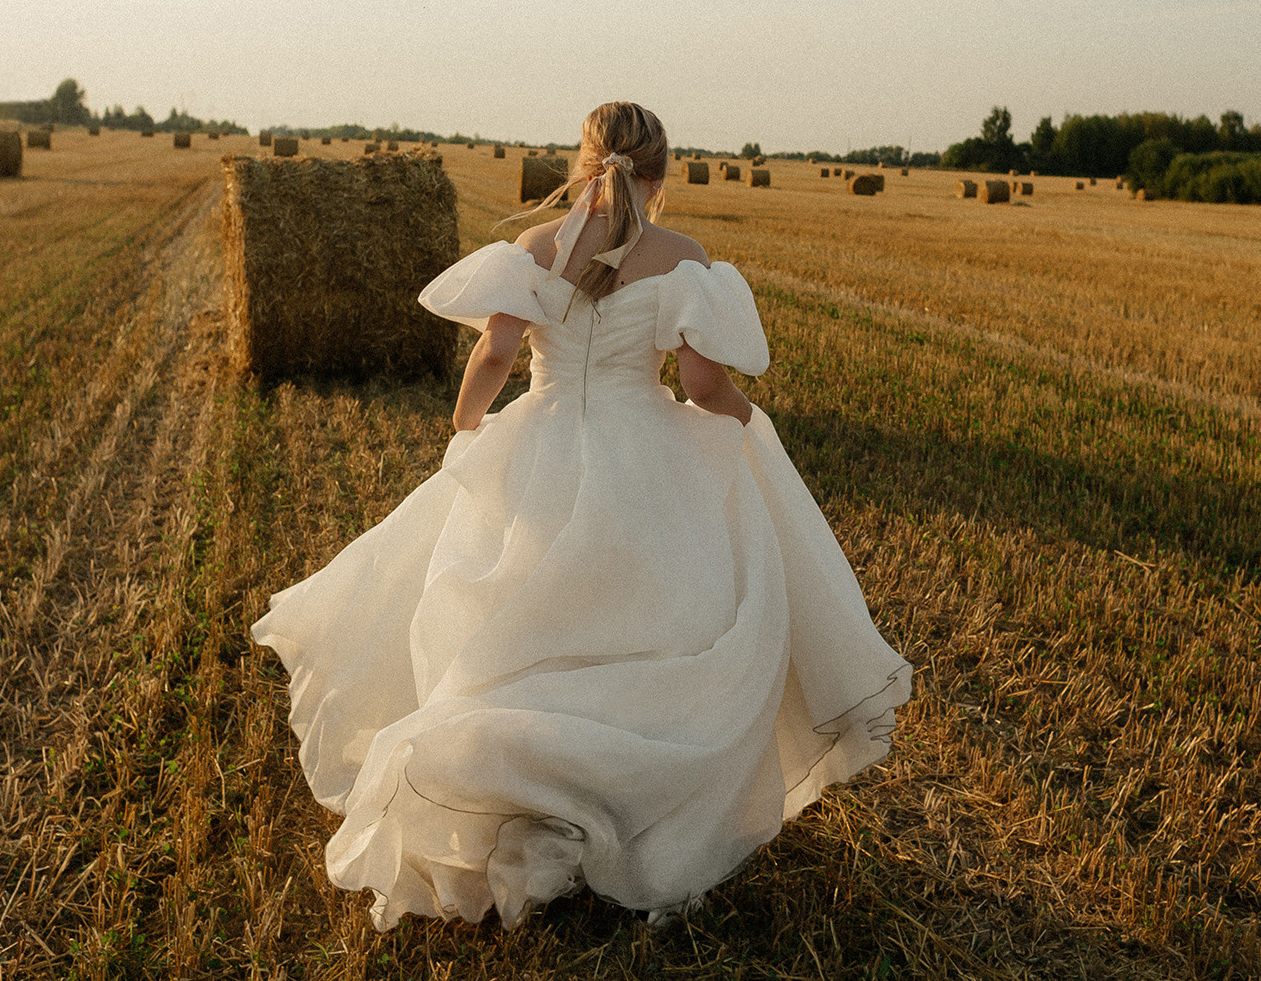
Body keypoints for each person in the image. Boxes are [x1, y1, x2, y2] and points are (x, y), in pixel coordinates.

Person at [251, 102, 912, 931]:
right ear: (663, 174)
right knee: (649, 624)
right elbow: (704, 386)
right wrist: (747, 421)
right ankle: (628, 809)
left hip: (544, 440)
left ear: (581, 163)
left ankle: (508, 791)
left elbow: (494, 354)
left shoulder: (536, 250)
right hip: (644, 445)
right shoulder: (683, 260)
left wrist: (466, 430)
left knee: (514, 630)